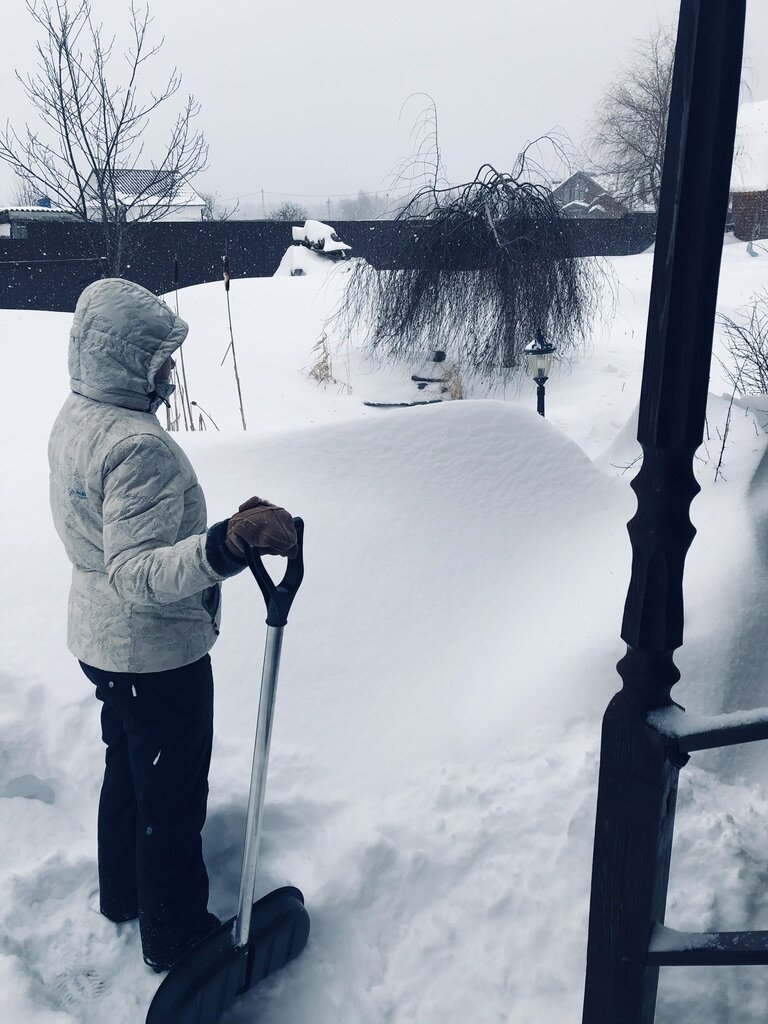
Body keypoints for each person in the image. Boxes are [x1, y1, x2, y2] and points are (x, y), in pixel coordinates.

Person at [47, 277, 298, 972]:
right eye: (159, 358)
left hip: (100, 642)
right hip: (153, 654)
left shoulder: (79, 415)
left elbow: (117, 537)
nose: (169, 370)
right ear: (125, 360)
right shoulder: (137, 445)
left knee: (128, 777)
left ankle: (125, 898)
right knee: (172, 799)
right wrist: (227, 544)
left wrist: (226, 527)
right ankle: (177, 935)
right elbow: (137, 571)